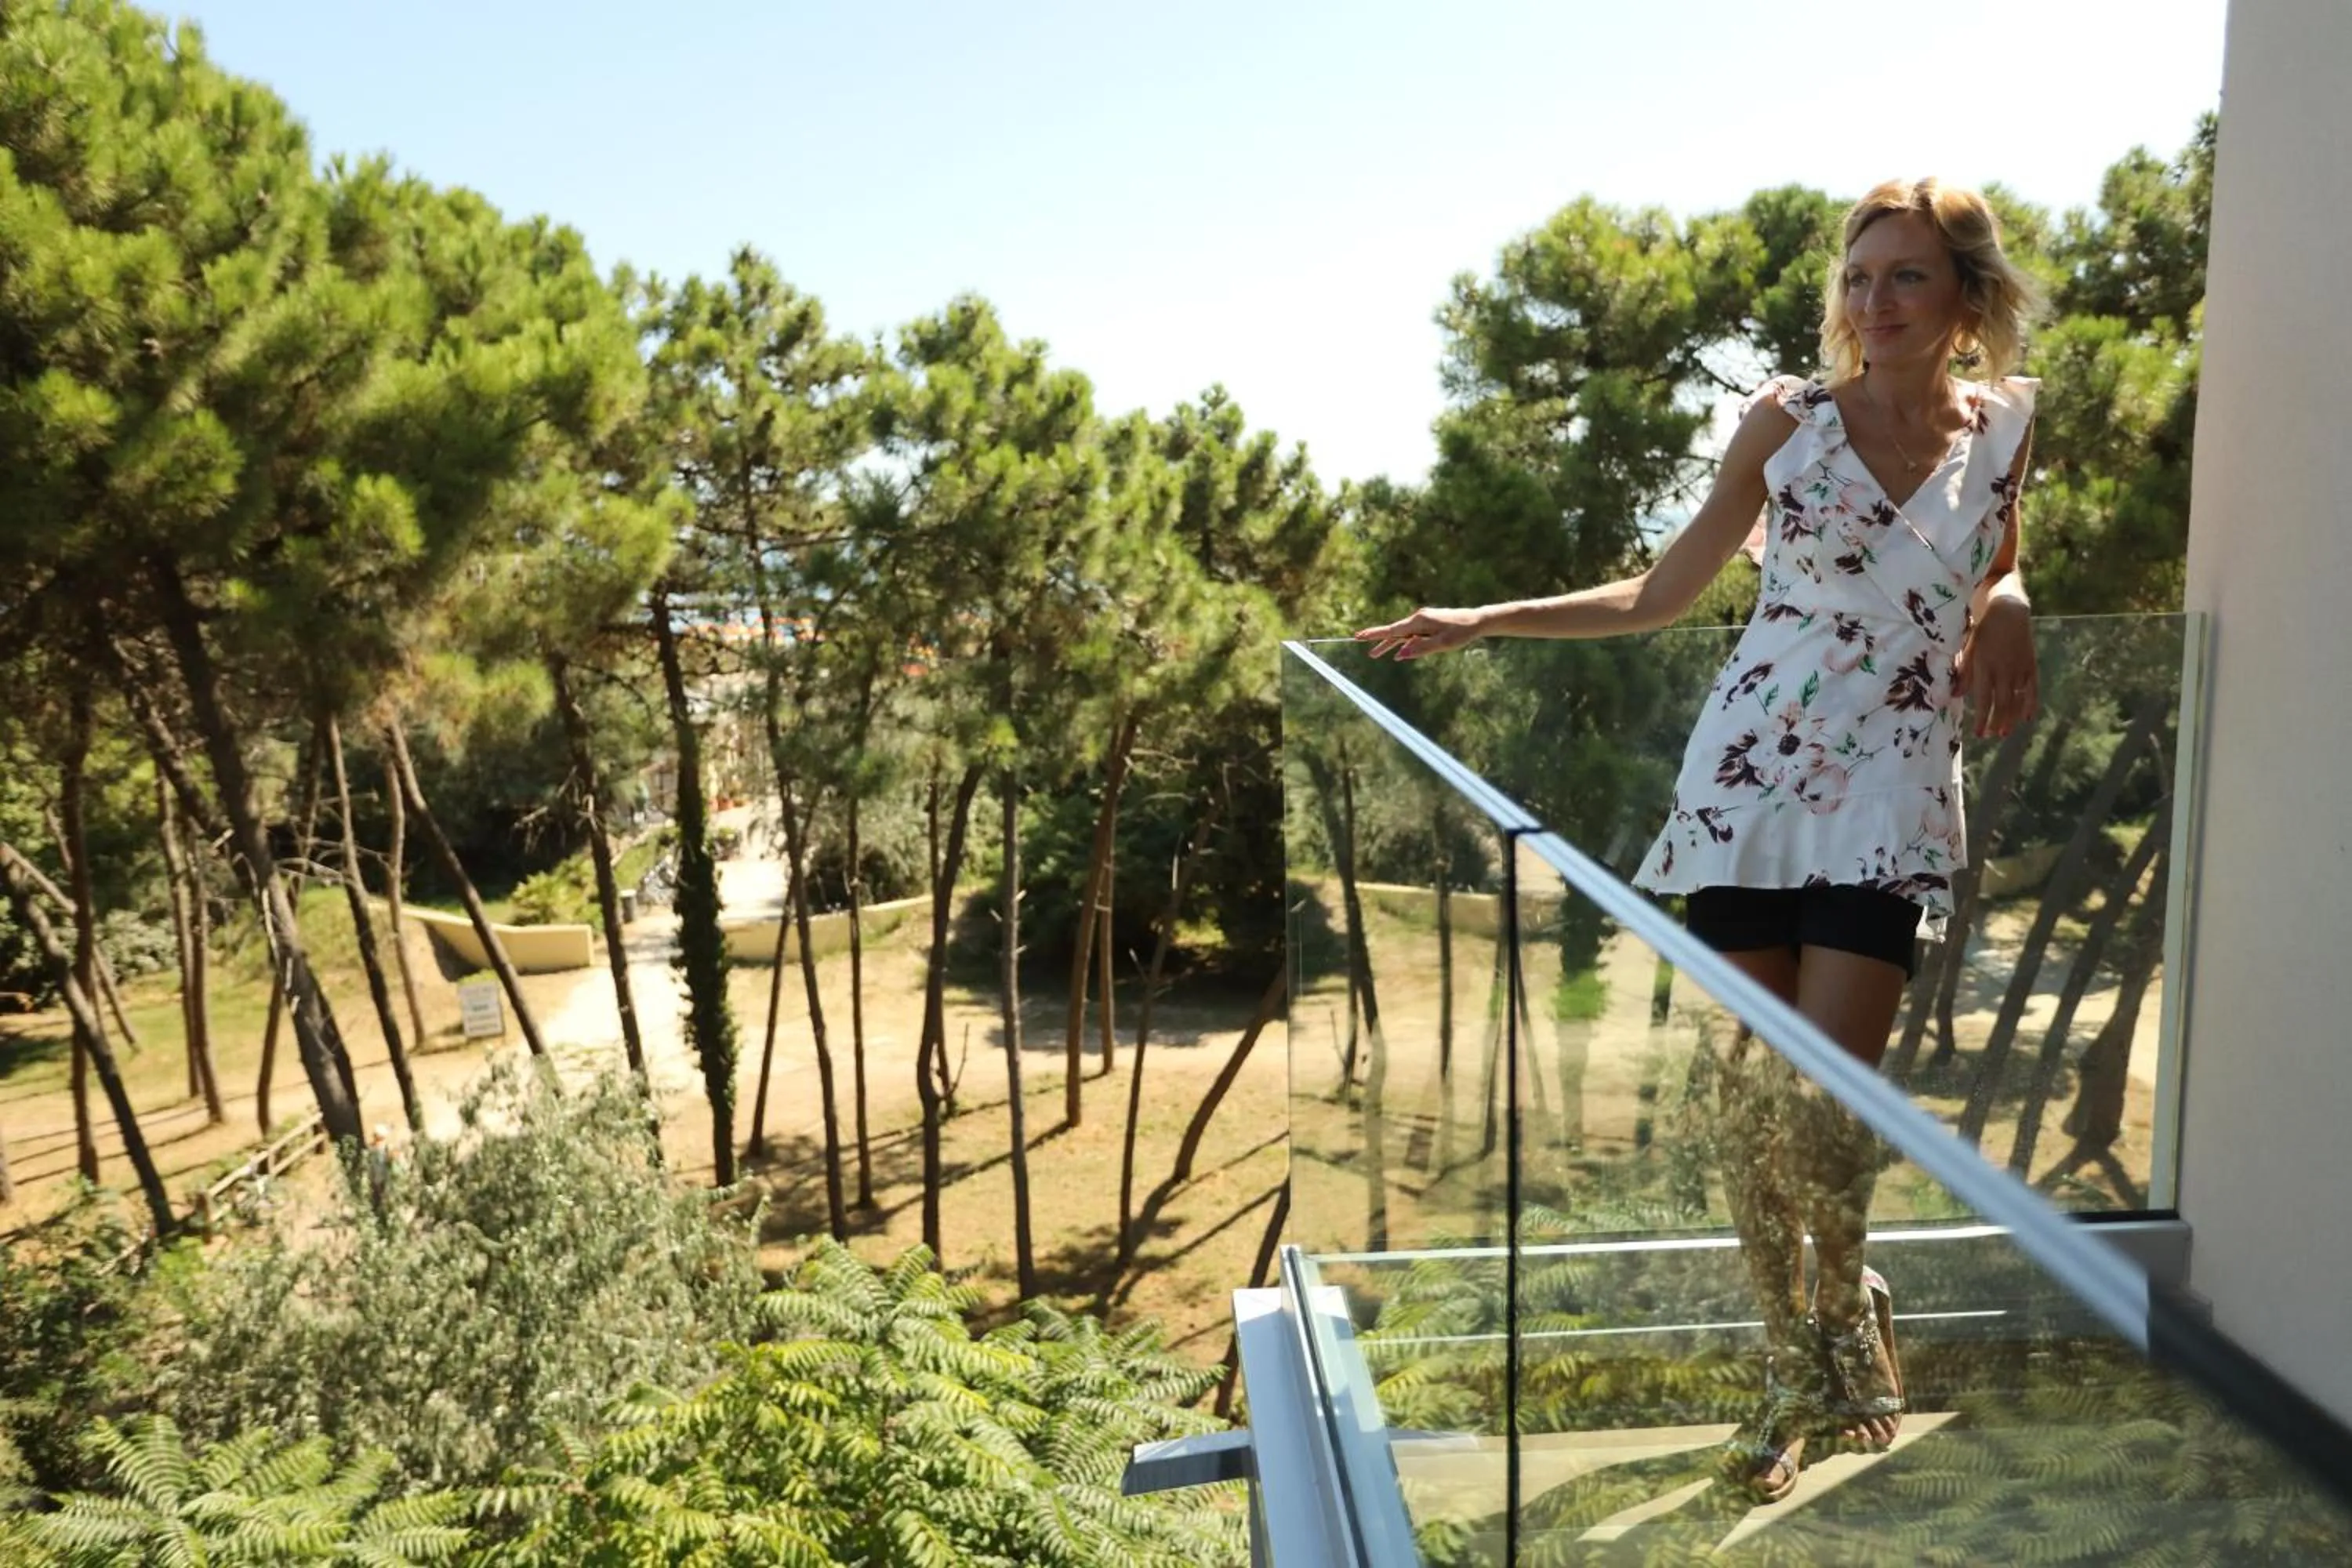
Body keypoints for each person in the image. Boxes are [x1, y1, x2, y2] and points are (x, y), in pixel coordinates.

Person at [1356, 177, 2040, 1501]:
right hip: (1749, 785)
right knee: (1746, 1114)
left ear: (1965, 298)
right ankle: (1795, 1365)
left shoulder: (2006, 429)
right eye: (1858, 279)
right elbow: (1664, 592)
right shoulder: (1786, 422)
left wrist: (2007, 594)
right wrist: (1489, 617)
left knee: (1831, 1105)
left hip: (1893, 792)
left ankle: (1846, 1314)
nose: (1874, 302)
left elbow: (1995, 558)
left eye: (1905, 277)